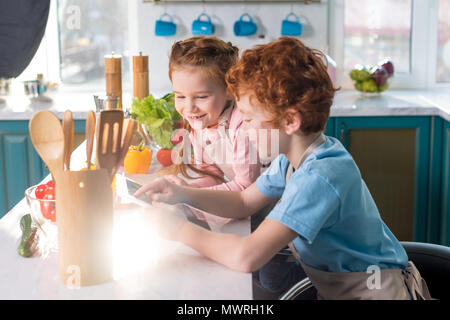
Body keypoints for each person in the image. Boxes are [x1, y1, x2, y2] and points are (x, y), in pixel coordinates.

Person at [136, 37, 431, 300]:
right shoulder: (292, 158)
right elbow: (243, 201)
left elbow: (247, 256)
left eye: (249, 119)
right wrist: (180, 193)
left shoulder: (319, 177)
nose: (245, 129)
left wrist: (178, 230)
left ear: (290, 122)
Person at [163, 36, 263, 227]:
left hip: (268, 211)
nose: (189, 108)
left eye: (201, 97)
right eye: (180, 96)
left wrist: (189, 197)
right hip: (244, 207)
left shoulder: (242, 124)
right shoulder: (201, 121)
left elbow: (246, 188)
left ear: (229, 90)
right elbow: (211, 174)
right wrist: (188, 189)